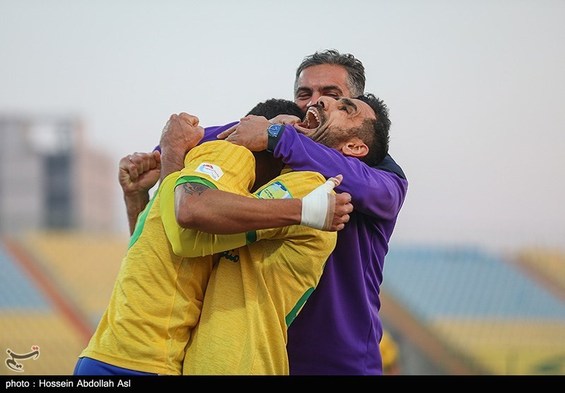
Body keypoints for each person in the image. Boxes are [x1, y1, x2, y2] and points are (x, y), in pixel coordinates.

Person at [119, 49, 408, 375]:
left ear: (358, 105)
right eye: (304, 94)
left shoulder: (379, 174)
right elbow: (176, 243)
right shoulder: (276, 160)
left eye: (332, 95)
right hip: (259, 359)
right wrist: (162, 156)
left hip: (339, 364)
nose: (314, 102)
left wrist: (274, 136)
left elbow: (375, 191)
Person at [74, 99, 351, 375]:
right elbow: (183, 225)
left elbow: (162, 243)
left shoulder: (235, 197)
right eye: (279, 130)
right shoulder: (232, 155)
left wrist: (145, 190)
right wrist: (304, 210)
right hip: (144, 361)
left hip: (115, 355)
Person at [164, 94, 390, 375]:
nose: (321, 101)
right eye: (307, 94)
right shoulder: (279, 181)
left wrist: (172, 151)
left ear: (355, 147)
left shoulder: (311, 188)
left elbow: (190, 217)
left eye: (345, 108)